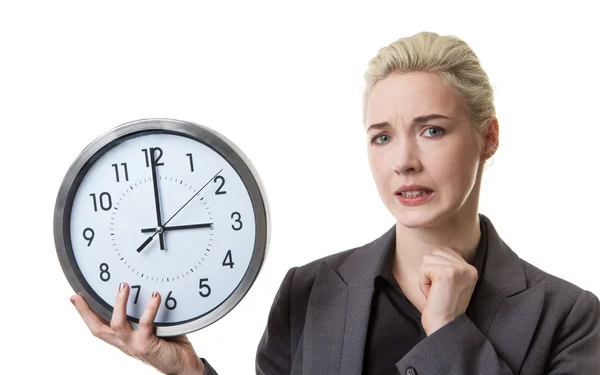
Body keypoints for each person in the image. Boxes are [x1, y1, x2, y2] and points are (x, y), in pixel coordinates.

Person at [70, 31, 600, 374]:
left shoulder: (569, 318)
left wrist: (448, 336)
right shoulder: (309, 292)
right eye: (382, 137)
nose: (404, 162)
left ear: (488, 137)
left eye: (432, 130)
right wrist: (185, 368)